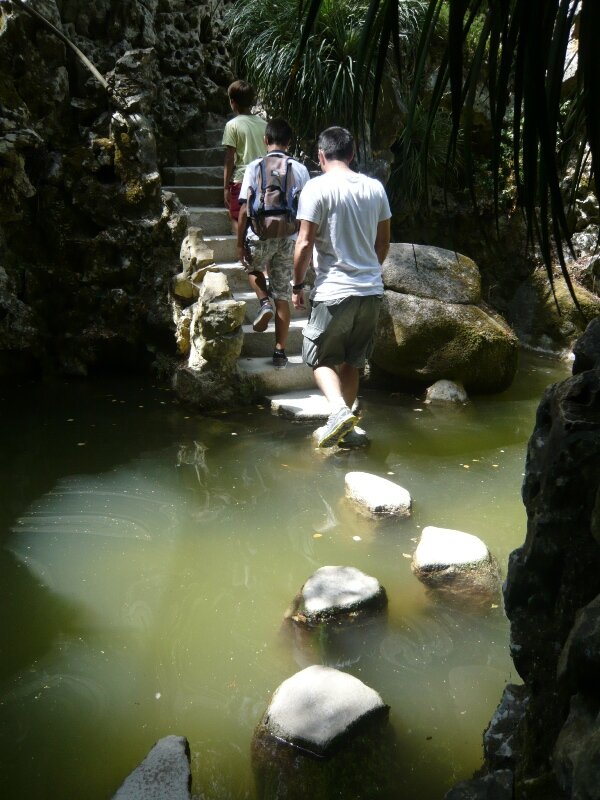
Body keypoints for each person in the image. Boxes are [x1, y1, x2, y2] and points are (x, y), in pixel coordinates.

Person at [292, 126, 391, 446]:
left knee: (316, 357)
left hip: (335, 291)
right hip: (371, 292)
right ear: (352, 154)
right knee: (352, 361)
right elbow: (384, 243)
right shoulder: (375, 188)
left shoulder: (316, 188)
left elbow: (305, 243)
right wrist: (370, 272)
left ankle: (337, 412)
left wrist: (297, 285)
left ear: (320, 156)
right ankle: (344, 426)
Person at [237, 118, 310, 368]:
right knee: (282, 292)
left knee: (251, 268)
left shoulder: (254, 166)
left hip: (260, 235)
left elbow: (245, 209)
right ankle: (279, 351)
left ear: (265, 140)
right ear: (290, 143)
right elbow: (306, 210)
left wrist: (239, 244)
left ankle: (263, 303)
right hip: (289, 238)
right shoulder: (300, 170)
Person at [222, 80, 267, 235]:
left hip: (241, 179)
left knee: (234, 215)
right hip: (262, 179)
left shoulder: (232, 125)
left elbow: (229, 158)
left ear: (232, 102)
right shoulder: (264, 124)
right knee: (257, 216)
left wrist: (225, 187)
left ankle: (242, 248)